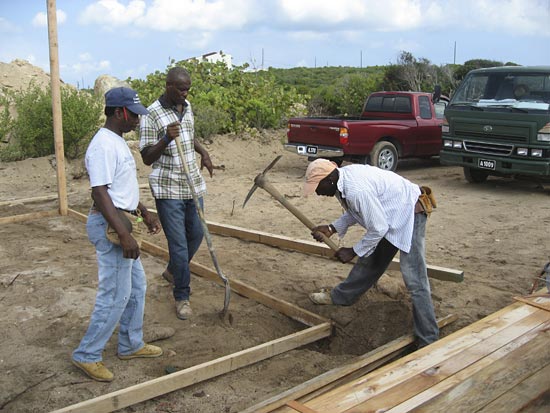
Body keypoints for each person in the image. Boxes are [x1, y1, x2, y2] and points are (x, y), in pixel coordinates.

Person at [72, 87, 163, 382]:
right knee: (115, 295)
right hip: (110, 226)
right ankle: (87, 354)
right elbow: (99, 193)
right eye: (133, 115)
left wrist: (143, 212)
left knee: (137, 288)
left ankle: (130, 344)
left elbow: (119, 191)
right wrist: (124, 234)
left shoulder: (117, 142)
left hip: (122, 220)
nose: (137, 120)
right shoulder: (103, 145)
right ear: (118, 112)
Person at [304, 159, 439, 348]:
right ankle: (341, 297)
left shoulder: (356, 189)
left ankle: (428, 339)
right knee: (372, 261)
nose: (317, 192)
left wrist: (353, 251)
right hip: (389, 214)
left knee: (415, 280)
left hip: (410, 213)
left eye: (317, 187)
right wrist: (331, 228)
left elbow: (378, 227)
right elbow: (356, 210)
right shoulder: (342, 182)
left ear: (328, 180)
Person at [139, 67, 213, 320]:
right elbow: (147, 157)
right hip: (167, 187)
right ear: (168, 86)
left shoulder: (187, 106)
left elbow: (188, 135)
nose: (185, 93)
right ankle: (182, 296)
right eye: (181, 89)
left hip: (192, 183)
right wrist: (165, 140)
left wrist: (203, 152)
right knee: (179, 245)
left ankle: (173, 271)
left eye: (187, 89)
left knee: (196, 234)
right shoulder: (151, 114)